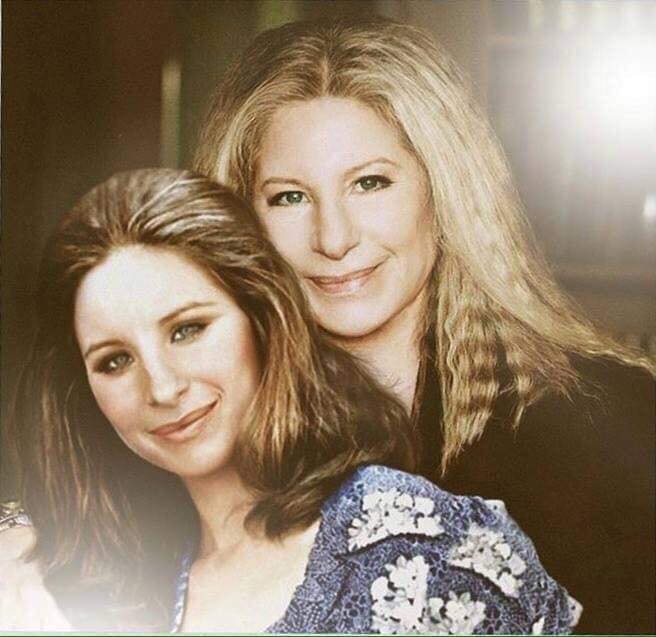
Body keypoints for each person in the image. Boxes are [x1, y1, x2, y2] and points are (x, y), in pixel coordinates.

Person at [192, 17, 655, 634]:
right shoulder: (202, 443)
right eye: (289, 197)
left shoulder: (607, 427)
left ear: (443, 192)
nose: (334, 238)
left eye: (370, 183)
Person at [0, 169, 579, 633]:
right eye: (114, 361)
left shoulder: (416, 547)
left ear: (263, 319)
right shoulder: (106, 577)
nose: (163, 388)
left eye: (188, 330)